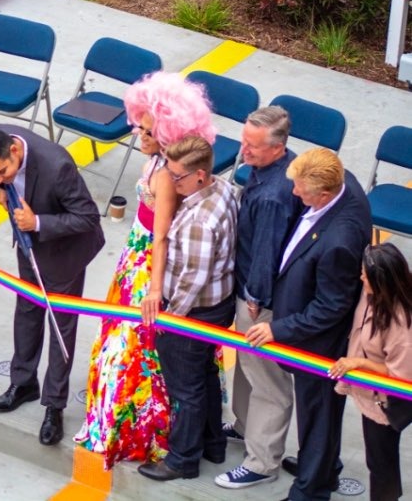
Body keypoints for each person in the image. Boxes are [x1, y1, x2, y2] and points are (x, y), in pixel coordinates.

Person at [75, 72, 216, 467]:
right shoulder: (153, 160)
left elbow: (162, 237)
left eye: (149, 128)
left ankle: (140, 427)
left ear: (170, 130)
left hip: (147, 264)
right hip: (134, 253)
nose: (140, 132)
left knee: (135, 344)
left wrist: (154, 289)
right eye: (139, 123)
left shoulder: (168, 177)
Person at [245, 148, 371, 501]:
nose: (295, 194)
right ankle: (323, 468)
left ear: (326, 195)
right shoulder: (345, 185)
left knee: (317, 415)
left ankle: (311, 491)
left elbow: (331, 307)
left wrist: (278, 329)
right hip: (306, 323)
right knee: (320, 415)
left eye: (302, 190)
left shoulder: (339, 242)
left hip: (319, 344)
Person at [0, 125, 105, 445]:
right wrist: (5, 188)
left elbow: (88, 217)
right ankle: (23, 382)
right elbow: (0, 179)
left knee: (62, 327)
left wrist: (38, 223)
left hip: (64, 252)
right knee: (27, 312)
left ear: (15, 152)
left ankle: (54, 405)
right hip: (29, 244)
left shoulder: (57, 166)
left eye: (3, 172)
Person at [138, 136, 238, 482]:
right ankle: (213, 442)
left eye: (177, 176)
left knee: (186, 388)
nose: (171, 181)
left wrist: (168, 317)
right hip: (219, 302)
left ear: (199, 175)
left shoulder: (198, 220)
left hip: (193, 310)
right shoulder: (223, 189)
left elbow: (191, 281)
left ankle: (182, 459)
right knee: (205, 374)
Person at [215, 106, 304, 489]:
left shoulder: (274, 195)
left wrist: (255, 300)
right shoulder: (275, 169)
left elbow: (267, 252)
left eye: (252, 146)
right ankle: (244, 425)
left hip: (261, 299)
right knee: (249, 369)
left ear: (278, 147)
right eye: (244, 140)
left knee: (267, 378)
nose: (243, 150)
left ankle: (263, 461)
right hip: (257, 288)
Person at [329, 243, 412, 501]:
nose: (361, 277)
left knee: (381, 462)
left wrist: (359, 363)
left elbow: (400, 377)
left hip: (384, 402)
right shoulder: (372, 294)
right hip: (371, 397)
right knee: (378, 458)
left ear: (382, 281)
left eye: (366, 274)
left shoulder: (401, 326)